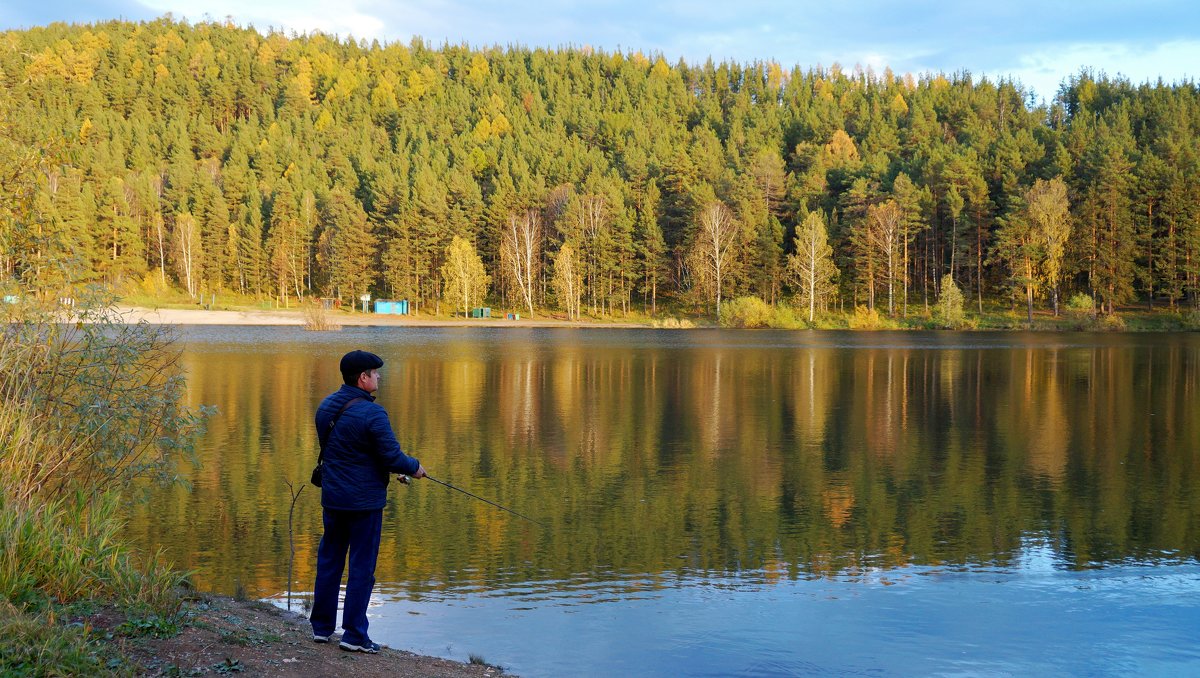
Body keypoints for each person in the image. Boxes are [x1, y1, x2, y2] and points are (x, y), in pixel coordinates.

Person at [310, 349, 426, 653]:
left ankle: (321, 629)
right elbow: (390, 455)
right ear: (363, 378)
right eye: (375, 373)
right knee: (362, 567)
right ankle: (354, 636)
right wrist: (413, 467)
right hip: (364, 504)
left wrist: (391, 467)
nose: (379, 376)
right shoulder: (373, 413)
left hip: (333, 498)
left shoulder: (325, 406)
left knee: (330, 560)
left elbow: (350, 450)